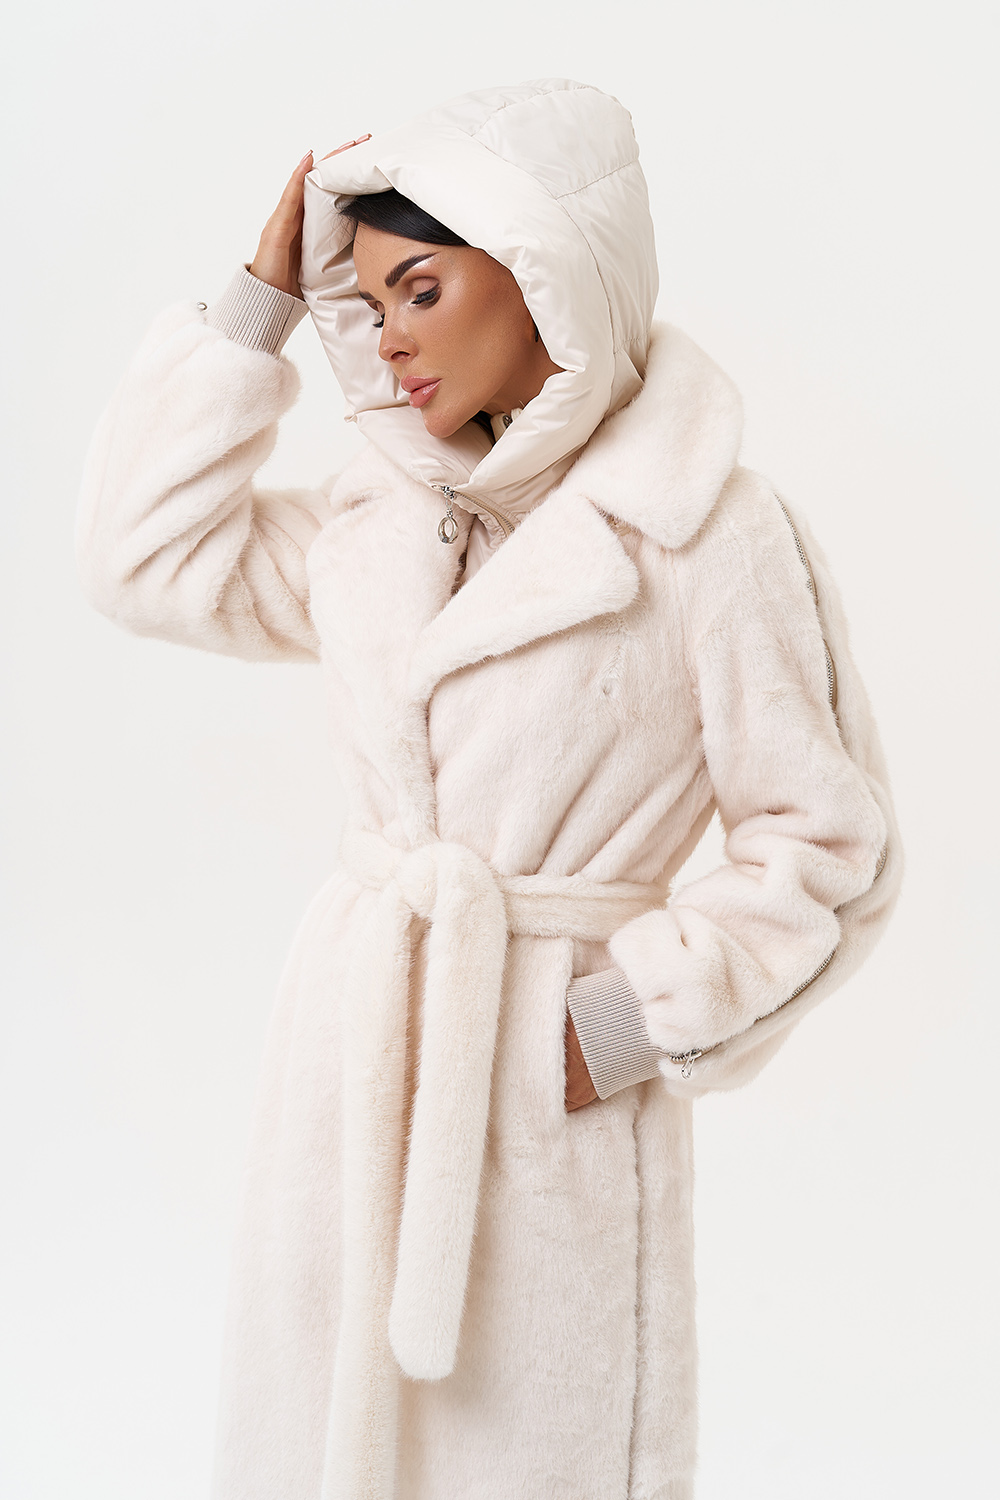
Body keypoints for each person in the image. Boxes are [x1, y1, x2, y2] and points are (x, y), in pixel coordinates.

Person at [76, 78, 900, 1500]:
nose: (386, 338)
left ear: (545, 275)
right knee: (314, 1437)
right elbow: (145, 561)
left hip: (539, 1075)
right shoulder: (377, 518)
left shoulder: (708, 531)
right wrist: (256, 310)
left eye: (422, 290)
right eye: (365, 303)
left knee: (538, 1449)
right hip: (354, 1053)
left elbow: (829, 847)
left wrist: (617, 1030)